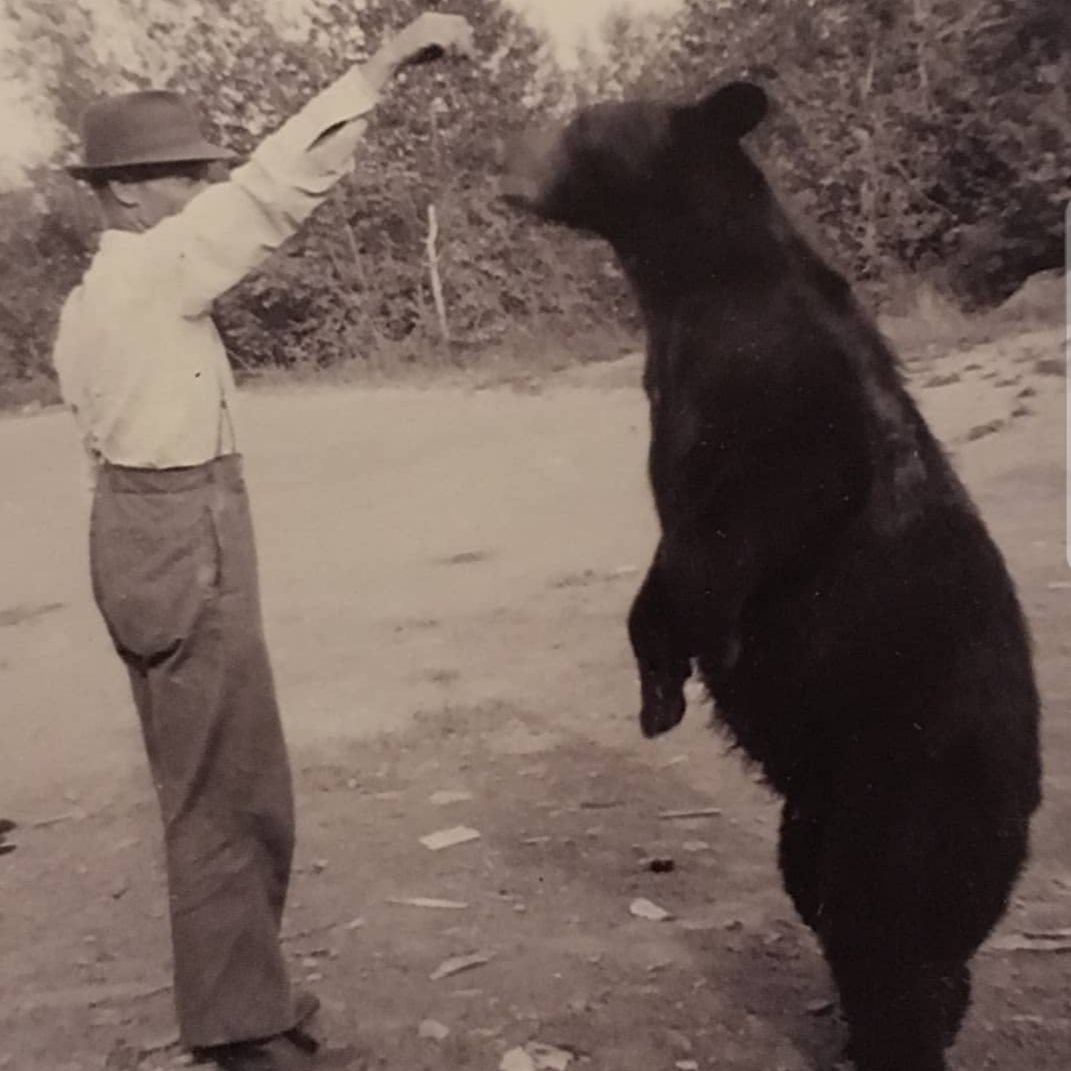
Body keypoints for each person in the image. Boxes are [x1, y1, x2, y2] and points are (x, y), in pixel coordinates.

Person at [52, 13, 475, 1071]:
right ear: (124, 192)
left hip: (158, 520)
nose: (198, 190)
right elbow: (274, 193)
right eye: (177, 175)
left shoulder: (108, 292)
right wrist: (376, 67)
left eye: (196, 173)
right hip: (176, 526)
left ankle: (253, 996)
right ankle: (238, 1033)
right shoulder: (150, 270)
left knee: (244, 786)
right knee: (217, 794)